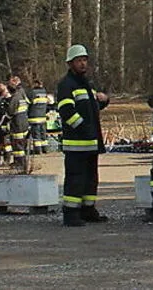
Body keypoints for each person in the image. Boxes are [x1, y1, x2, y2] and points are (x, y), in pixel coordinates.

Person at [56, 44, 110, 227]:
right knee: (75, 178)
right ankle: (71, 213)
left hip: (90, 142)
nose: (83, 64)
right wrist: (84, 128)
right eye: (79, 60)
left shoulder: (86, 84)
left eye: (85, 60)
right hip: (77, 142)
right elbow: (66, 111)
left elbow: (91, 108)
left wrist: (104, 101)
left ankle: (88, 209)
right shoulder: (66, 84)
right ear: (70, 63)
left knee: (91, 178)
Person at [7, 76, 30, 169]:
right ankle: (22, 162)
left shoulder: (15, 97)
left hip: (17, 123)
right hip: (24, 121)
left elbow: (10, 112)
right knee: (22, 144)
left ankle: (19, 163)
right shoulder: (22, 95)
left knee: (17, 144)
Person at [28, 79, 51, 154]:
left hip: (34, 117)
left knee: (36, 135)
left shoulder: (33, 93)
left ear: (35, 84)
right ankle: (45, 149)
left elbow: (28, 103)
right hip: (43, 117)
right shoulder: (44, 92)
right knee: (43, 134)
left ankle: (38, 150)